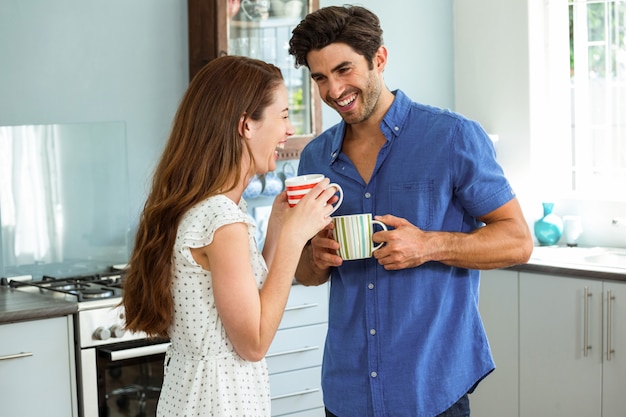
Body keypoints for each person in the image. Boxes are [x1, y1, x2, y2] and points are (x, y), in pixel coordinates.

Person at [288, 5, 533, 417]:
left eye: (344, 69)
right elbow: (304, 272)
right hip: (347, 393)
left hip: (431, 387)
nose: (333, 90)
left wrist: (428, 245)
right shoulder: (315, 158)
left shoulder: (452, 137)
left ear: (379, 59)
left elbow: (518, 240)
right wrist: (314, 258)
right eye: (320, 78)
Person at [121, 55, 338, 417]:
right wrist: (294, 240)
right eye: (283, 115)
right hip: (219, 401)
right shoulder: (222, 221)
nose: (288, 129)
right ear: (246, 125)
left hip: (190, 395)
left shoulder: (204, 208)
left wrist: (279, 228)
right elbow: (253, 342)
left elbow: (246, 302)